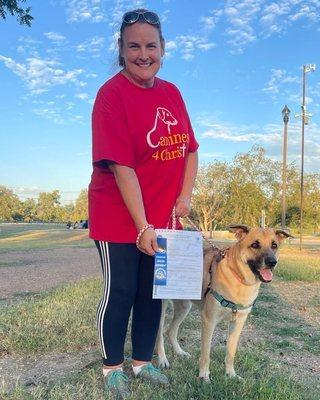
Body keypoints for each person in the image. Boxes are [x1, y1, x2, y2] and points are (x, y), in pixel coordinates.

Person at [88, 8, 199, 398]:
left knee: (154, 291)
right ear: (121, 49)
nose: (143, 53)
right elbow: (122, 168)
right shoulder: (111, 96)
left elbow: (189, 151)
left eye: (151, 45)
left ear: (163, 49)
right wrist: (142, 225)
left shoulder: (172, 93)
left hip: (163, 218)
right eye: (133, 45)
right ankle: (112, 367)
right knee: (121, 290)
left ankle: (142, 362)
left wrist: (184, 196)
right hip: (119, 216)